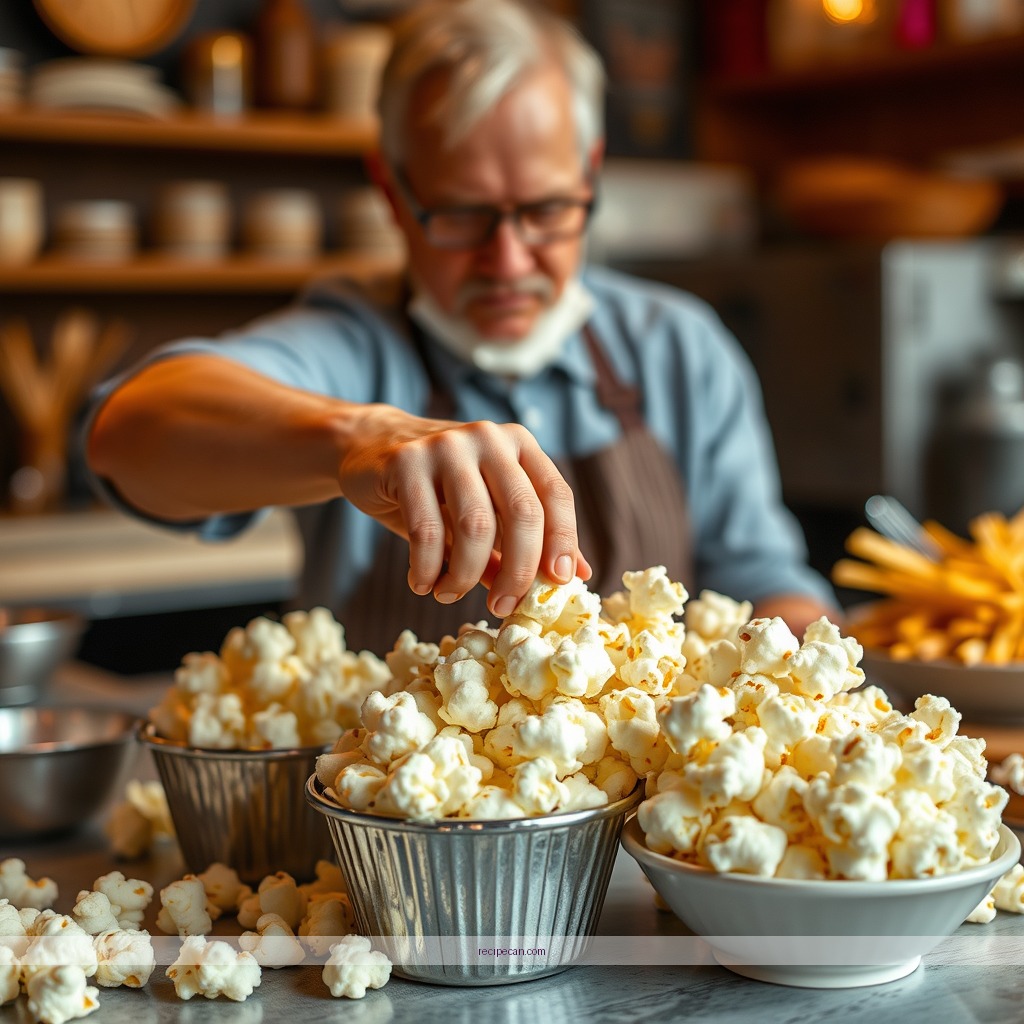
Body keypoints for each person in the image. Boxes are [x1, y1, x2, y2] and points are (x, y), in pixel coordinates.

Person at [84, 0, 837, 655]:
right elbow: (125, 434)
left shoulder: (679, 349)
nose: (507, 261)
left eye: (545, 210)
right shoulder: (354, 344)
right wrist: (355, 439)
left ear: (591, 175)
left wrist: (801, 655)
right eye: (463, 215)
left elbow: (763, 583)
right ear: (392, 192)